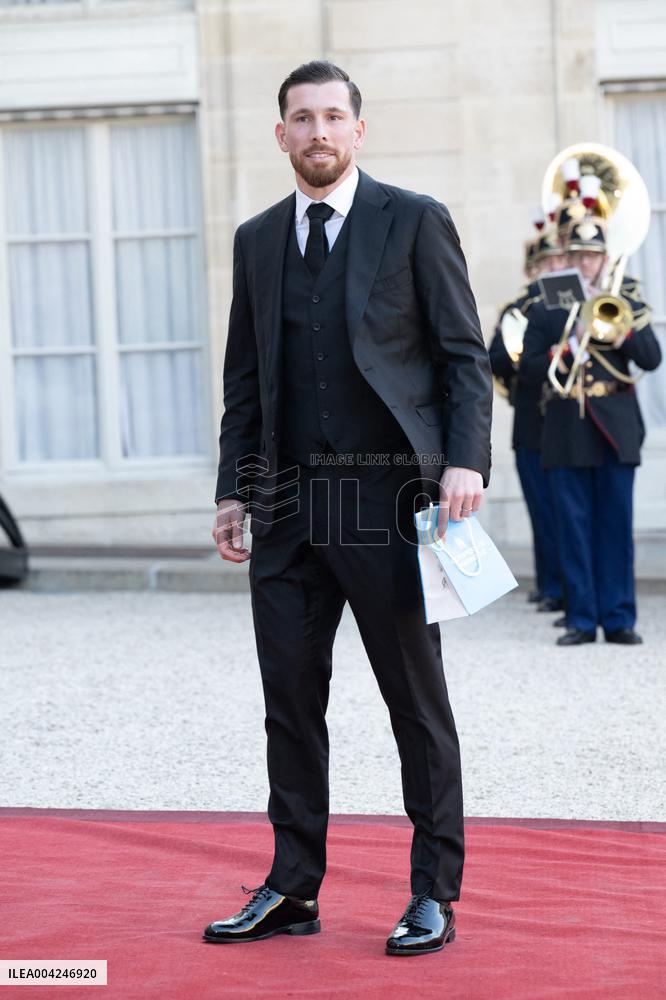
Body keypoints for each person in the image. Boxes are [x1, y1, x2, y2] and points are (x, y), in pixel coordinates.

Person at [205, 60, 492, 955]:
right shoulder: (256, 240)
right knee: (289, 703)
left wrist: (464, 463)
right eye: (302, 118)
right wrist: (231, 488)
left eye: (334, 116)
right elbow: (244, 382)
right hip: (286, 503)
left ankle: (434, 892)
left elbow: (462, 357)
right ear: (281, 133)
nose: (319, 132)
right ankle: (293, 889)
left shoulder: (412, 219)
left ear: (358, 130)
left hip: (384, 497)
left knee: (416, 701)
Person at [520, 217, 661, 646]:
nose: (585, 264)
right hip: (566, 424)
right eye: (579, 255)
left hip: (616, 423)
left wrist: (616, 329)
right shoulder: (550, 301)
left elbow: (651, 357)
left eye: (593, 256)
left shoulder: (626, 296)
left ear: (604, 259)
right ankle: (581, 618)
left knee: (616, 525)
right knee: (573, 527)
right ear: (570, 256)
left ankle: (618, 617)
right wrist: (567, 343)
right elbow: (526, 368)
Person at [488, 229, 566, 614]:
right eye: (543, 264)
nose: (550, 269)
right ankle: (551, 583)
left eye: (556, 263)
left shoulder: (574, 306)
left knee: (569, 509)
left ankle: (574, 588)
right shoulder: (516, 309)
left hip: (570, 423)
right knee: (542, 508)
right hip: (532, 422)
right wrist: (525, 353)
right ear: (530, 269)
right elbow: (495, 361)